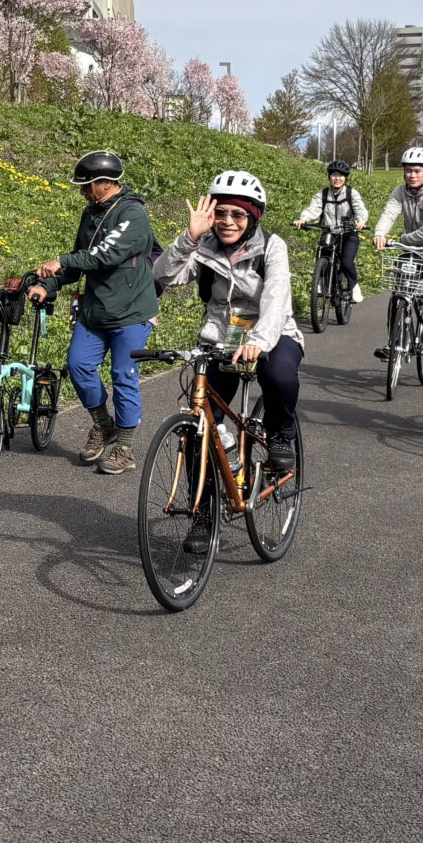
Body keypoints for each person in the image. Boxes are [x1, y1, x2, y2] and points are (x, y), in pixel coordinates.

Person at [154, 170, 302, 556]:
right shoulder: (203, 247)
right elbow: (163, 276)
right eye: (222, 213)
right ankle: (203, 514)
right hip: (220, 338)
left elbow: (276, 299)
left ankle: (281, 435)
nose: (228, 222)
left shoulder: (272, 247)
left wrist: (258, 341)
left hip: (271, 333)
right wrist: (188, 238)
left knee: (279, 373)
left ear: (253, 217)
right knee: (198, 428)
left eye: (238, 215)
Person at [28, 150, 161, 475]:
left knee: (123, 377)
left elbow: (105, 254)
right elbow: (81, 258)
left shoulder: (134, 214)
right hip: (96, 309)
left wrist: (63, 261)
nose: (83, 192)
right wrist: (51, 284)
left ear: (105, 183)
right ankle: (104, 425)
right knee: (78, 366)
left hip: (131, 312)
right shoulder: (91, 214)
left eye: (86, 186)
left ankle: (125, 448)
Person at [372, 146, 423, 332]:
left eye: (417, 171)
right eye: (408, 170)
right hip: (412, 251)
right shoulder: (400, 191)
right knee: (400, 294)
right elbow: (389, 214)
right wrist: (380, 233)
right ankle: (393, 341)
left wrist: (401, 238)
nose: (412, 175)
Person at [295, 159, 371, 304]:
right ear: (329, 177)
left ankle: (354, 286)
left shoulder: (351, 193)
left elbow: (359, 208)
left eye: (341, 176)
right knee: (322, 253)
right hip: (329, 231)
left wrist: (361, 221)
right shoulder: (323, 194)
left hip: (349, 232)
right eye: (334, 175)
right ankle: (320, 280)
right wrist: (304, 219)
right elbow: (313, 209)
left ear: (345, 178)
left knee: (346, 261)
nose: (337, 178)